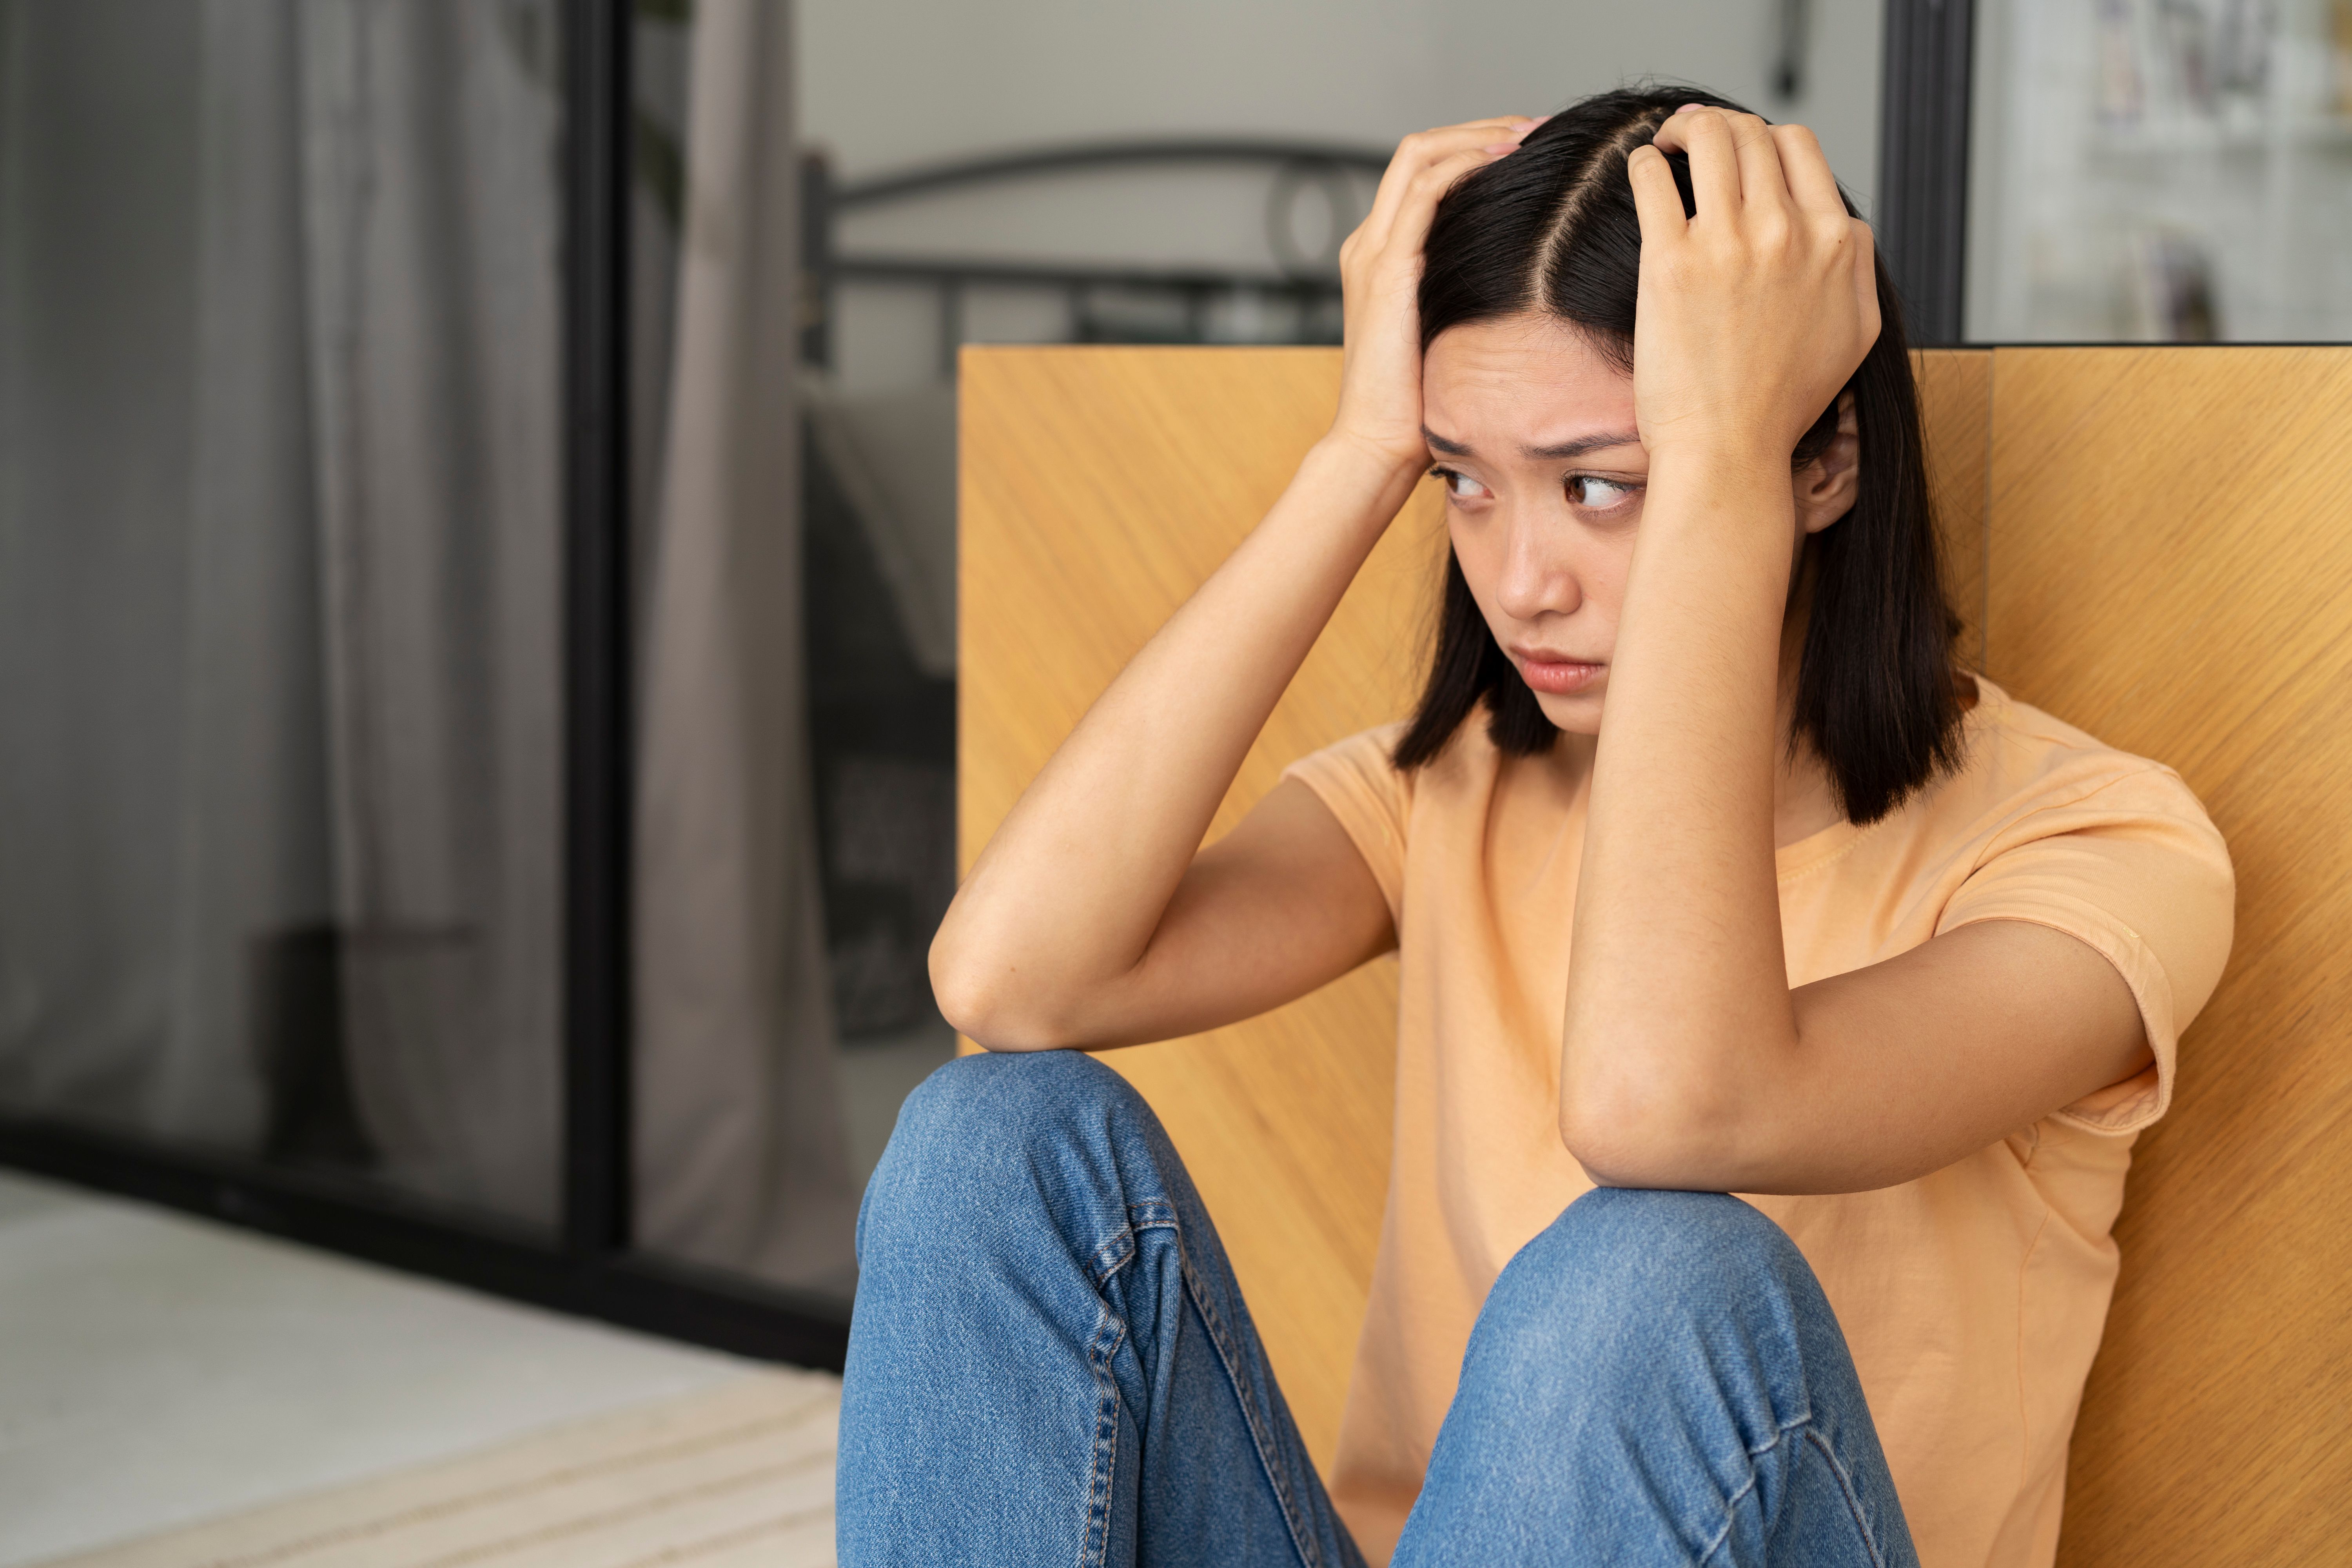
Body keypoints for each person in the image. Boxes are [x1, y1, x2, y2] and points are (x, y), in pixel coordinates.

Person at [837, 87, 2235, 1568]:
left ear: (1822, 464)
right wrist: (1359, 453)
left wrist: (1721, 464)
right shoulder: (1450, 789)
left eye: (1600, 485)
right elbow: (1010, 980)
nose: (1521, 584)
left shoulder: (2093, 851)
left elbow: (1663, 1111)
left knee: (1648, 1268)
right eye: (1465, 483)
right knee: (990, 1142)